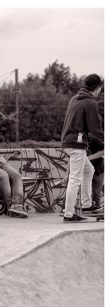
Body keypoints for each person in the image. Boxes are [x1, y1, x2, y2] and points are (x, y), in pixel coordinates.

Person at [60, 73, 104, 222]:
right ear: (97, 88)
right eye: (101, 88)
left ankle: (86, 205)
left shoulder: (74, 98)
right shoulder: (90, 103)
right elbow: (95, 129)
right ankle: (69, 213)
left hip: (67, 141)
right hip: (76, 144)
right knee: (75, 179)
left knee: (89, 170)